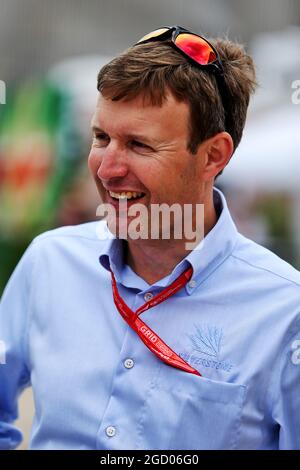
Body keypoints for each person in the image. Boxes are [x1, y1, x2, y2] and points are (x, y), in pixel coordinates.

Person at [1, 25, 300, 451]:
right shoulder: (49, 261)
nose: (107, 169)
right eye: (101, 138)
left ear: (214, 155)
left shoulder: (285, 313)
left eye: (139, 145)